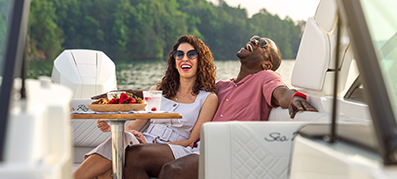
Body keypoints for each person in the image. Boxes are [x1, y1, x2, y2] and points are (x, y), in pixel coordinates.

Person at [122, 36, 318, 179]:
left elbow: (281, 91)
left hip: (229, 150)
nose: (255, 41)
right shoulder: (222, 86)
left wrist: (293, 98)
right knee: (134, 156)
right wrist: (122, 94)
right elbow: (170, 92)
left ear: (267, 64)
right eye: (255, 38)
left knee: (173, 171)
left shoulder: (265, 78)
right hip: (198, 148)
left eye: (263, 44)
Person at [72, 35, 219, 179]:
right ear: (174, 61)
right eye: (179, 54)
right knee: (121, 139)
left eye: (191, 55)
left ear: (201, 60)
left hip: (178, 149)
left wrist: (149, 144)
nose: (184, 59)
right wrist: (111, 127)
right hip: (143, 141)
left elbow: (191, 140)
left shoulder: (208, 98)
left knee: (126, 153)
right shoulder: (157, 92)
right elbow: (134, 126)